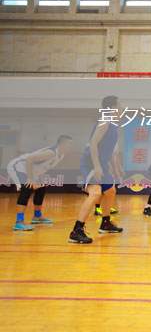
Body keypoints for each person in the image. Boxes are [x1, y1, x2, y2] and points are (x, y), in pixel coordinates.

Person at [69, 96, 123, 244]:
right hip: (91, 163)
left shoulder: (113, 124)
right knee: (95, 193)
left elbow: (108, 150)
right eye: (119, 105)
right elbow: (93, 143)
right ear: (111, 107)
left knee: (110, 191)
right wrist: (97, 166)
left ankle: (105, 223)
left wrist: (111, 167)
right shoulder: (105, 121)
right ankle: (76, 231)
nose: (122, 108)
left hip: (101, 163)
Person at [7, 135, 73, 231]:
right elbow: (29, 159)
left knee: (41, 188)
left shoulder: (61, 155)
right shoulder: (51, 153)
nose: (71, 146)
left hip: (31, 170)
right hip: (18, 167)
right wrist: (30, 178)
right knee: (27, 188)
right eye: (69, 144)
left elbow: (42, 167)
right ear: (61, 144)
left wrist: (39, 180)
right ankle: (19, 222)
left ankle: (37, 217)